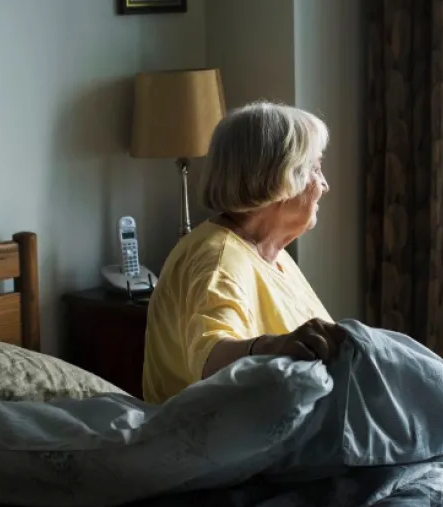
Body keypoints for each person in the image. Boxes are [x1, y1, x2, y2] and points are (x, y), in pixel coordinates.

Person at [141, 101, 347, 405]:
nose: (324, 185)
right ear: (279, 177)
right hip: (212, 430)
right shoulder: (218, 258)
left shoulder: (271, 254)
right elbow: (211, 359)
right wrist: (277, 347)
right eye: (314, 169)